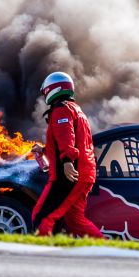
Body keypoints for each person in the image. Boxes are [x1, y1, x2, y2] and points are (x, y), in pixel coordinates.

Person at [32, 71, 103, 238]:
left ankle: (39, 259)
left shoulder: (61, 109)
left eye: (46, 91)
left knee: (42, 217)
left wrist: (67, 160)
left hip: (70, 175)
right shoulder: (76, 110)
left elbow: (66, 137)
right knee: (75, 220)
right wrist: (44, 150)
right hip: (84, 173)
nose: (45, 96)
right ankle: (107, 249)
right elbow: (71, 140)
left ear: (53, 89)